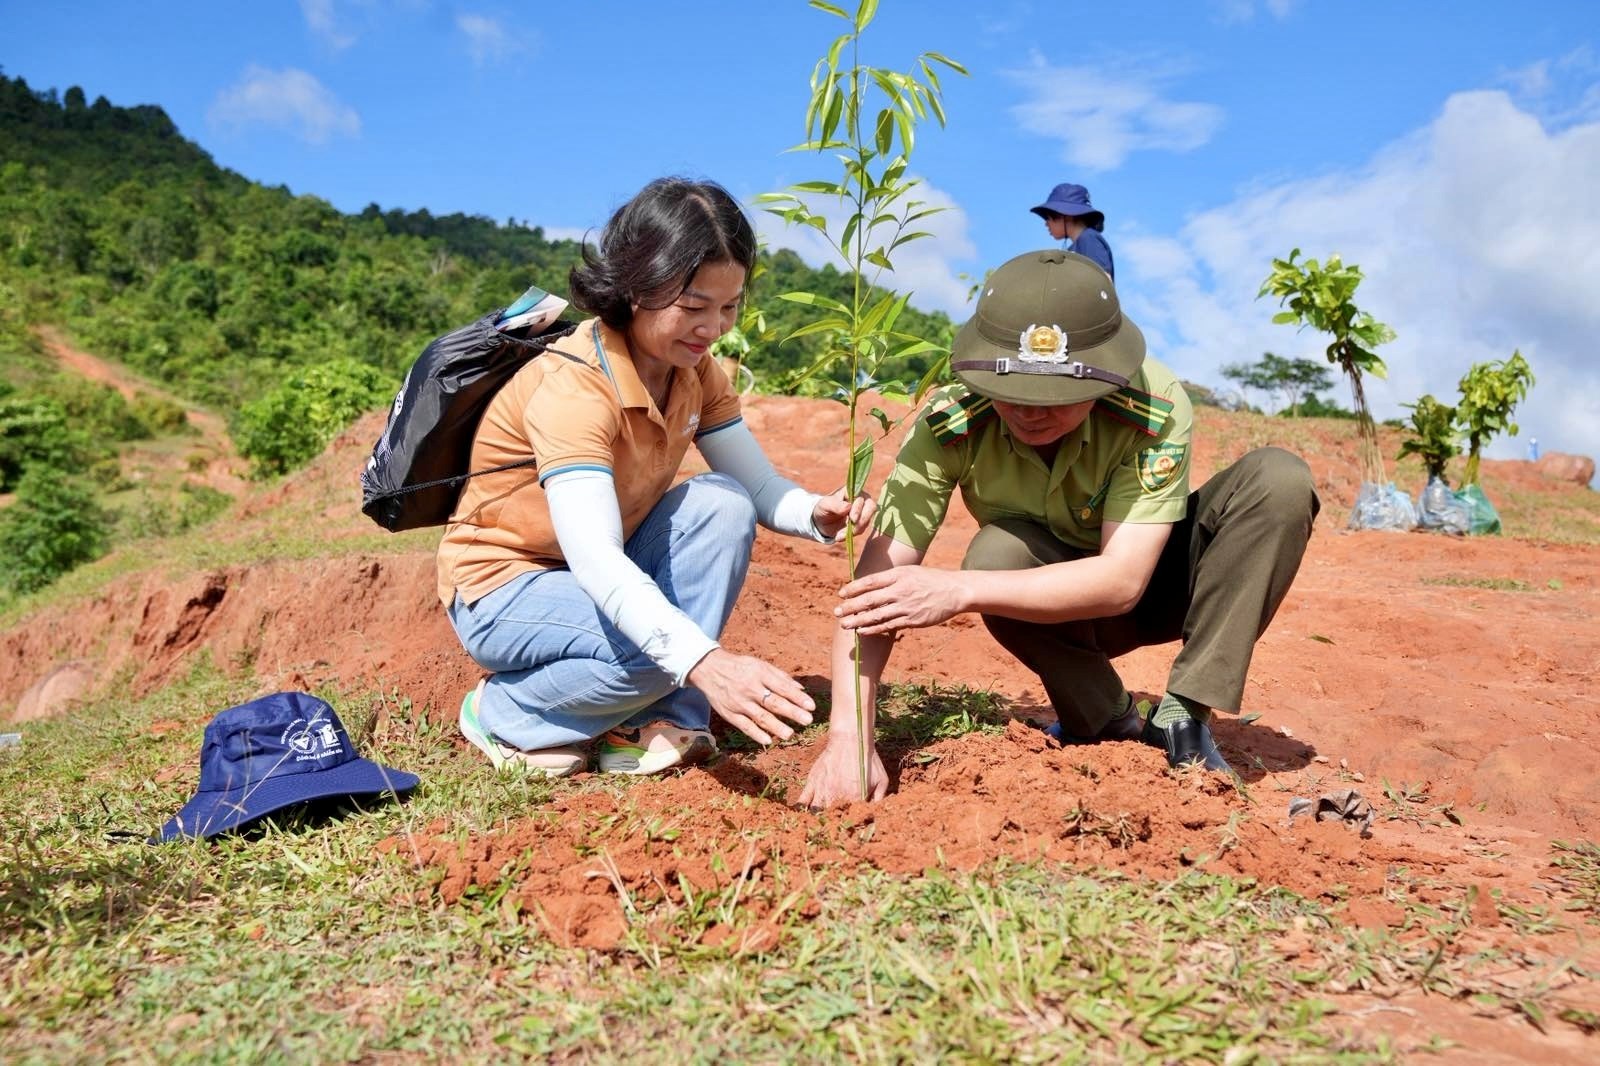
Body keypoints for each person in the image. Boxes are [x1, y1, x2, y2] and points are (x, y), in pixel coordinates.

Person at [799, 249, 1319, 808]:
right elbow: (872, 591)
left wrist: (960, 590)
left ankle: (1183, 715)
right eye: (1014, 394)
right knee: (994, 555)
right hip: (1045, 608)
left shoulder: (1154, 403)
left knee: (1278, 479)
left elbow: (1123, 581)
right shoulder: (950, 421)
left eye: (1057, 398)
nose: (1031, 413)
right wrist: (849, 742)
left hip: (1152, 586)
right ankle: (1103, 718)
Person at [438, 177, 875, 778]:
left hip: (589, 575)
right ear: (635, 288)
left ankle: (646, 718)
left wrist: (812, 513)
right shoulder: (576, 385)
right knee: (664, 646)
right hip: (504, 586)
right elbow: (594, 558)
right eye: (693, 307)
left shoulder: (695, 372)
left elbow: (758, 489)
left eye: (729, 307)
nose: (714, 327)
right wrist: (705, 662)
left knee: (722, 503)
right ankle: (507, 710)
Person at [1029, 183, 1114, 279]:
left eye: (1048, 218)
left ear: (1066, 215)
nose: (1046, 224)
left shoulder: (1089, 239)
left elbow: (1103, 280)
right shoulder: (1076, 247)